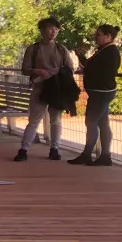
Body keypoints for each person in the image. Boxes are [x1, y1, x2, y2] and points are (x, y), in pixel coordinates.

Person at [14, 18, 73, 162]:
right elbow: (25, 70)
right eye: (50, 28)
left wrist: (58, 71)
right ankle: (23, 149)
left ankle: (55, 149)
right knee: (34, 120)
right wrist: (37, 71)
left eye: (56, 29)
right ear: (42, 30)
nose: (53, 31)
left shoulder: (61, 49)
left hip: (56, 88)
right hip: (40, 88)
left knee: (56, 120)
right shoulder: (33, 49)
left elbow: (71, 68)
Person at [70, 24, 122, 166]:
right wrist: (80, 57)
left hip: (101, 92)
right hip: (100, 92)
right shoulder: (105, 50)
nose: (95, 37)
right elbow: (91, 66)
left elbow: (102, 71)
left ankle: (87, 154)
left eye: (98, 35)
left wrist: (87, 70)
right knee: (102, 123)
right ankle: (105, 156)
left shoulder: (110, 52)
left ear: (108, 36)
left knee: (91, 122)